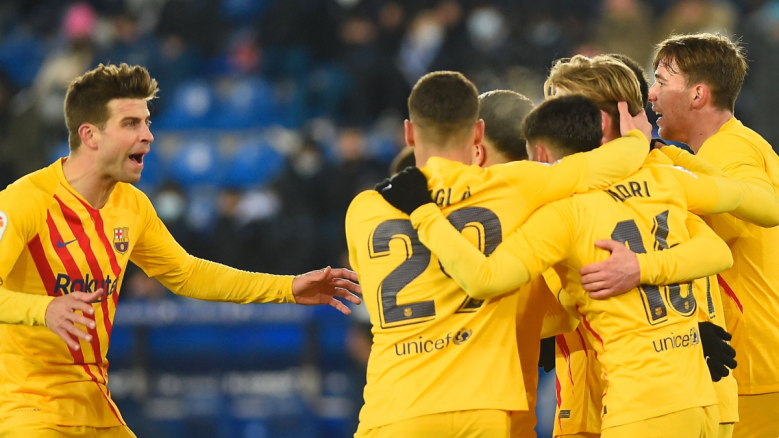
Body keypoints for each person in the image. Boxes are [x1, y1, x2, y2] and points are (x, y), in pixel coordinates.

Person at [0, 63, 362, 438]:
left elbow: (188, 274)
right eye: (131, 124)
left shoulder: (131, 205)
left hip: (95, 407)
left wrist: (286, 288)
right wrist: (43, 308)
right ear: (90, 135)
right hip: (29, 409)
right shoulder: (26, 201)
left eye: (147, 122)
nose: (148, 136)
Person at [378, 94, 746, 437]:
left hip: (611, 403)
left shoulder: (549, 211)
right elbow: (729, 229)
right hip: (664, 399)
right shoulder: (652, 180)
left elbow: (503, 289)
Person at [347, 70, 651, 438]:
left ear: (409, 134)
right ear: (476, 134)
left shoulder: (364, 209)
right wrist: (639, 136)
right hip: (488, 410)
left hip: (393, 408)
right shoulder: (513, 187)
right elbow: (610, 163)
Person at [542, 53, 739, 438]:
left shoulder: (565, 196)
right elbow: (722, 240)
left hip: (636, 400)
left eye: (558, 110)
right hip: (694, 392)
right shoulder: (664, 176)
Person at [647, 33, 779, 438]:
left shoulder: (727, 152)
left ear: (698, 94)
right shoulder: (734, 145)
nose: (651, 95)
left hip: (754, 363)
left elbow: (762, 206)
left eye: (661, 81)